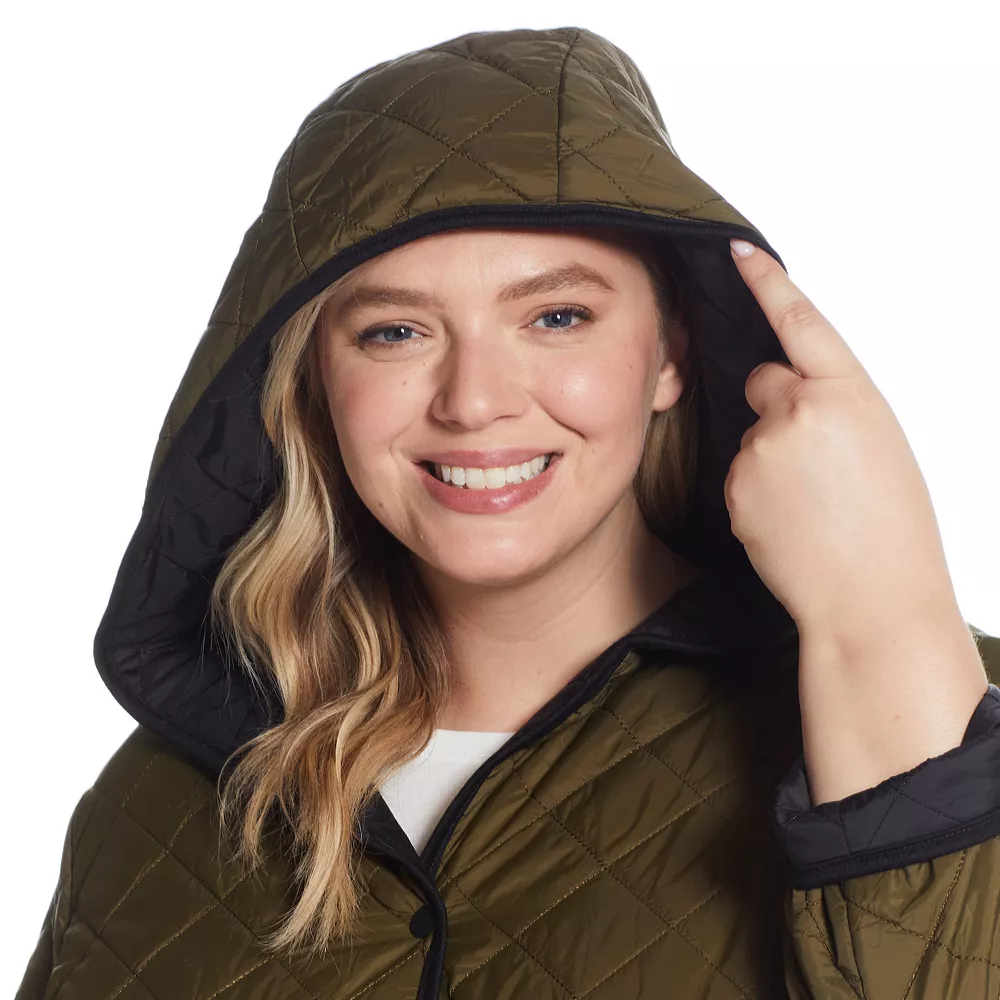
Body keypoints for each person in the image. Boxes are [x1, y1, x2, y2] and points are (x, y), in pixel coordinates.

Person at [17, 25, 1000, 1000]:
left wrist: (884, 615)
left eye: (557, 317)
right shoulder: (159, 803)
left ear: (671, 355)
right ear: (316, 382)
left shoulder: (948, 716)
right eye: (395, 331)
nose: (474, 400)